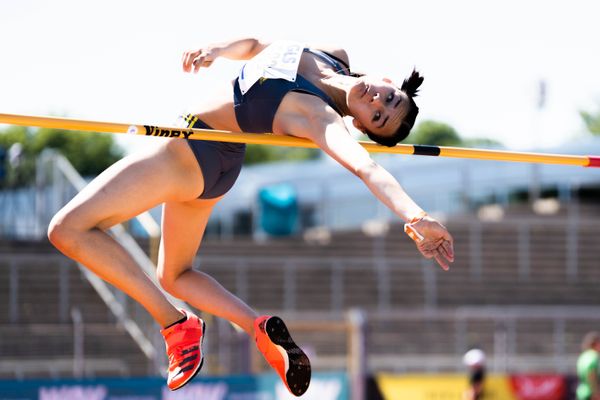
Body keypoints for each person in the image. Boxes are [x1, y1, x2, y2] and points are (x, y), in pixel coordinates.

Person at [47, 38, 454, 396]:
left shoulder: (319, 116)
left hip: (190, 148)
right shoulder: (333, 56)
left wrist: (416, 216)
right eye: (390, 98)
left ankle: (174, 325)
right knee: (175, 276)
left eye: (379, 117)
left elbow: (367, 168)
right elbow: (258, 44)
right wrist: (219, 50)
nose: (378, 103)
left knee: (67, 229)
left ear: (361, 126)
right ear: (387, 80)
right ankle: (257, 326)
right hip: (214, 162)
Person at [577, 332, 600, 400]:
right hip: (590, 394)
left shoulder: (583, 356)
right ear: (596, 343)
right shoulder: (593, 356)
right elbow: (591, 374)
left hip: (582, 391)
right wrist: (596, 393)